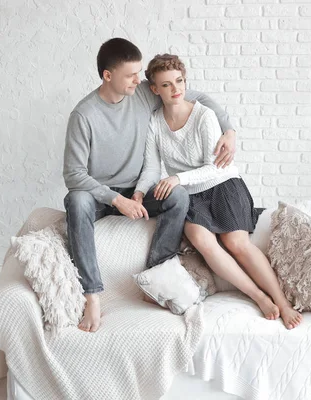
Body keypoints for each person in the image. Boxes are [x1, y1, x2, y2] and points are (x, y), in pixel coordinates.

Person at [63, 38, 238, 332]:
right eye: (131, 74)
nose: (138, 79)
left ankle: (156, 275)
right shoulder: (84, 115)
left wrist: (230, 130)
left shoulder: (142, 93)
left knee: (178, 196)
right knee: (76, 200)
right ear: (108, 75)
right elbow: (73, 174)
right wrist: (117, 201)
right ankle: (92, 294)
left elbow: (198, 98)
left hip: (138, 190)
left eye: (140, 72)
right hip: (100, 195)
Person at [135, 54, 302, 330]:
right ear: (154, 89)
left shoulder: (203, 115)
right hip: (191, 195)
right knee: (202, 240)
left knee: (236, 244)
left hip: (223, 184)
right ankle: (258, 296)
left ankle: (282, 302)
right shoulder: (155, 122)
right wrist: (140, 192)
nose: (175, 89)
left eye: (179, 81)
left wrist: (177, 178)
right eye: (166, 85)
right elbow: (152, 169)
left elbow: (214, 167)